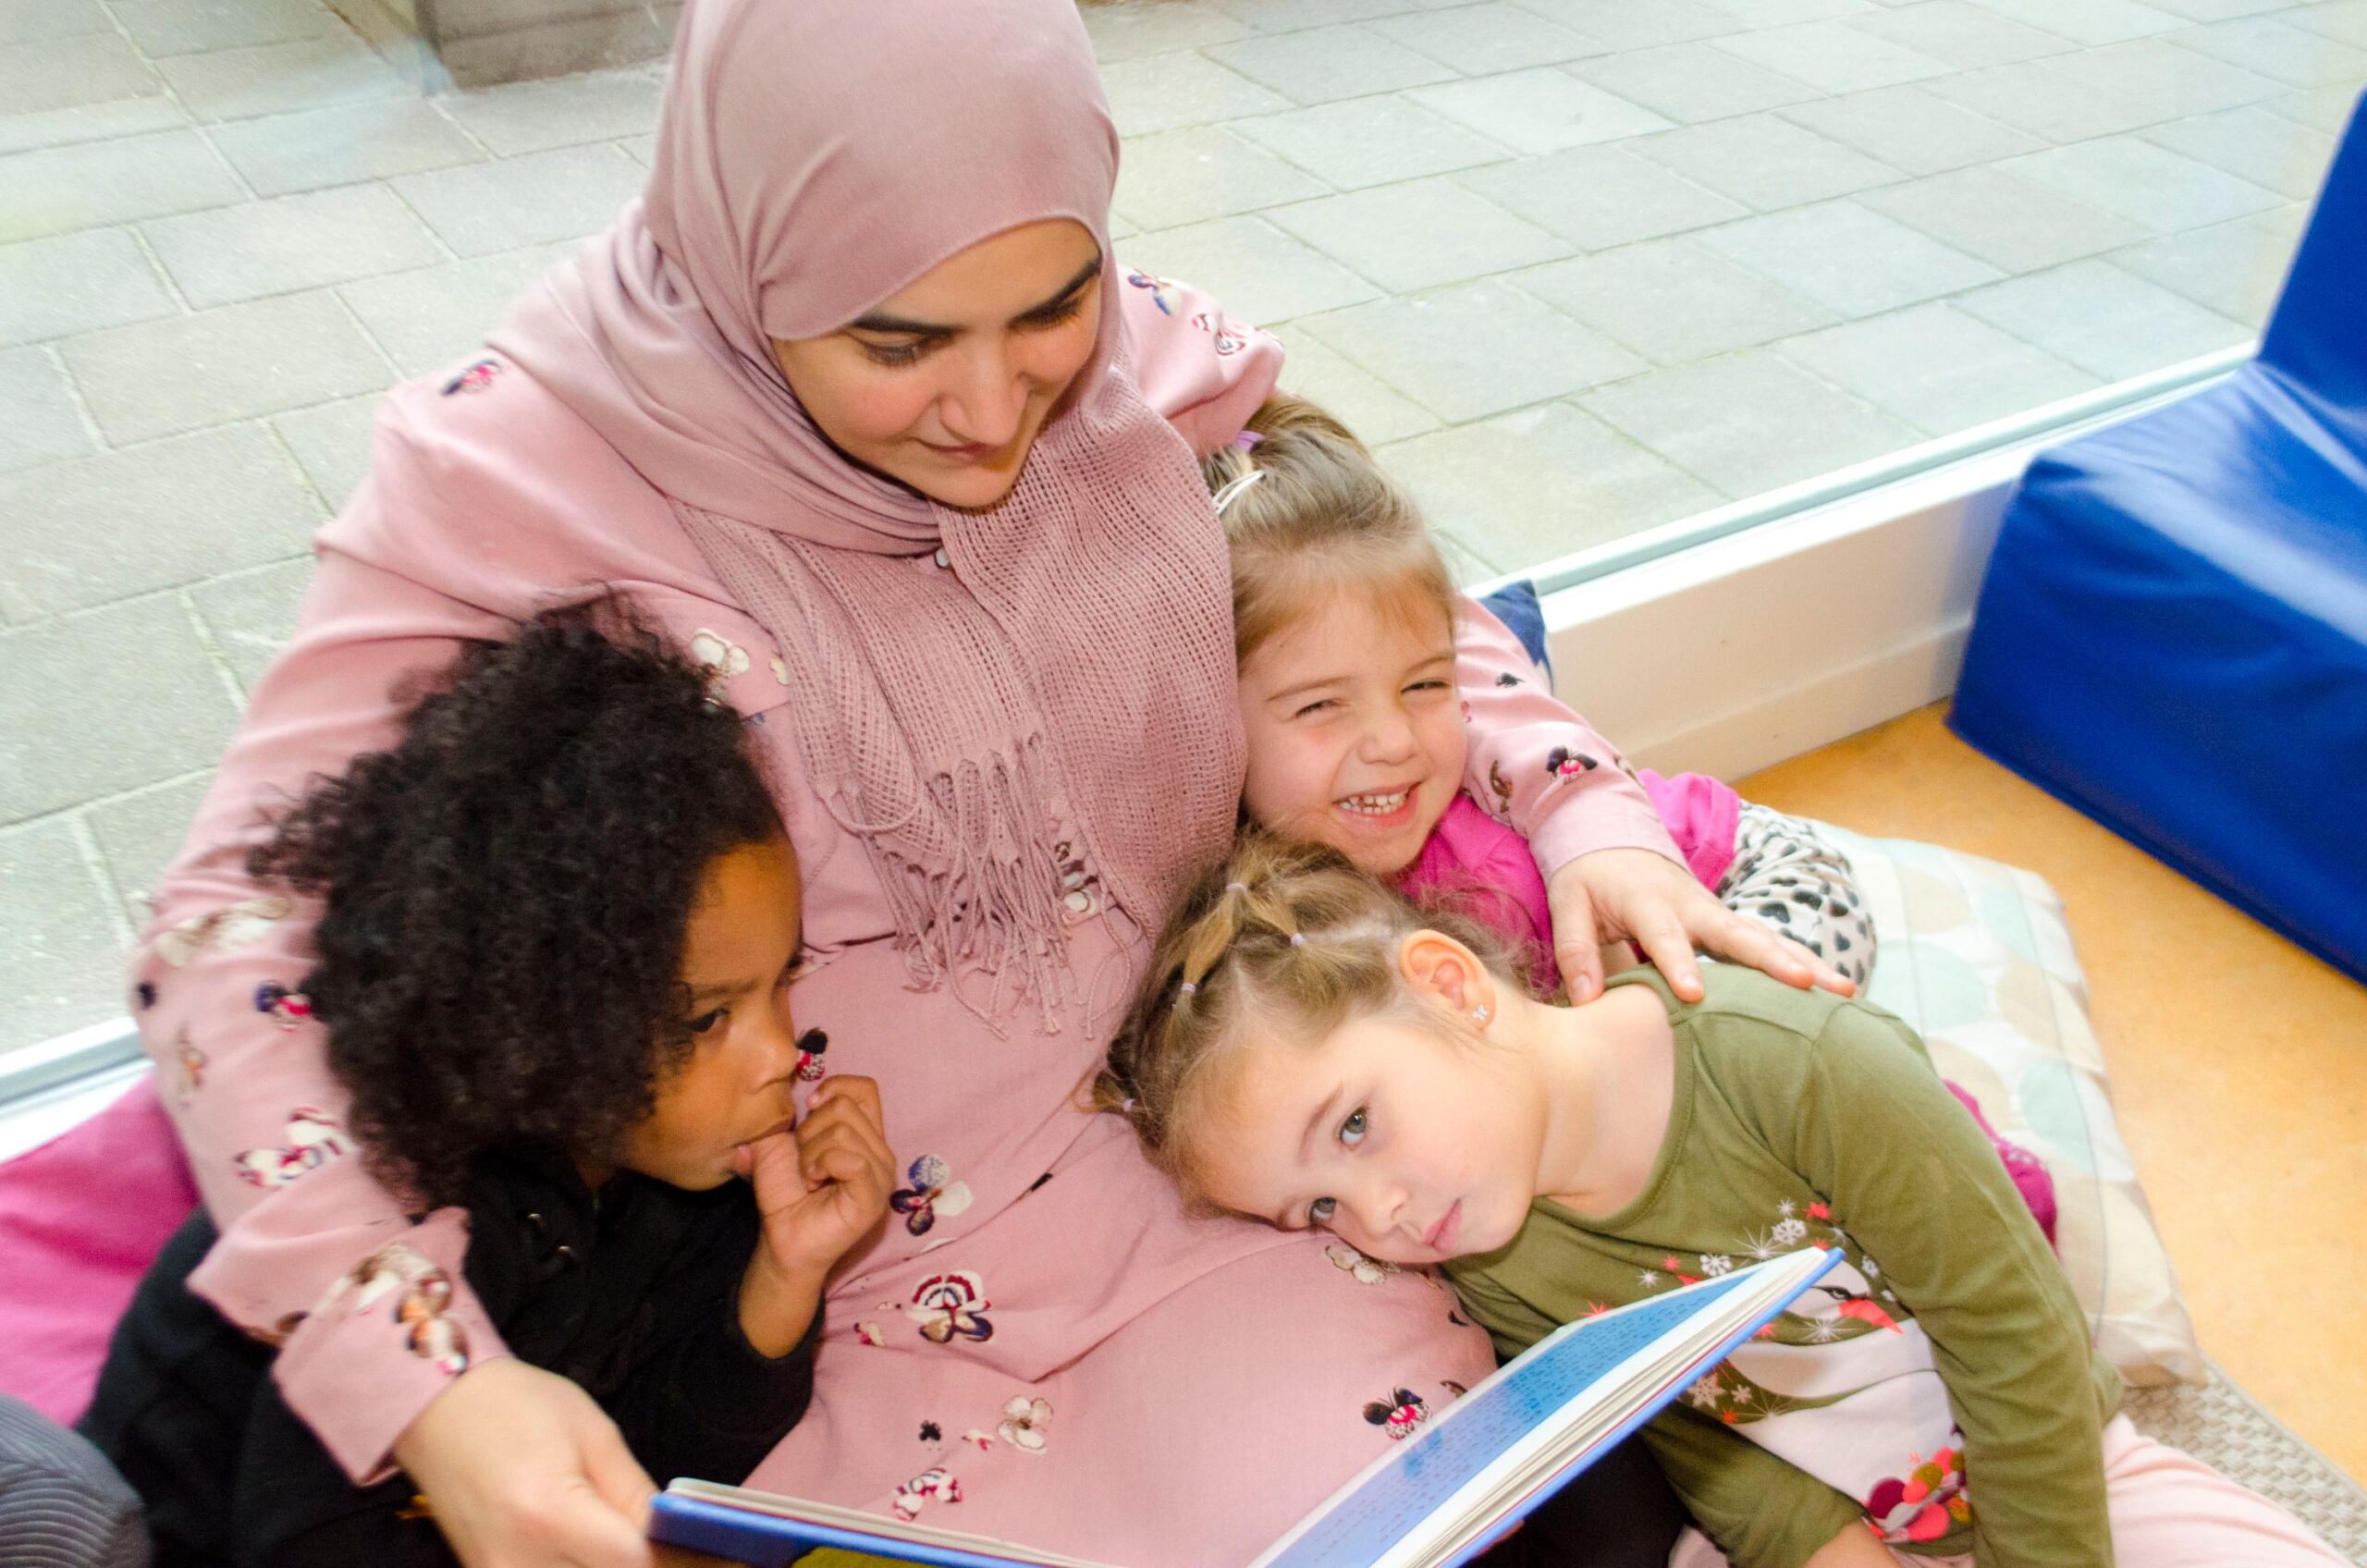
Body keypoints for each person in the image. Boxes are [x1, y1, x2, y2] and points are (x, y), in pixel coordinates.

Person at [127, 0, 1861, 1561]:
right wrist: (426, 1377)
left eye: (1050, 309)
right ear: (747, 261)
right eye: (896, 344)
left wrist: (1576, 796)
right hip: (832, 1284)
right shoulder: (522, 474)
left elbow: (1365, 576)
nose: (989, 407)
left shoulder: (1140, 359)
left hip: (1222, 1161)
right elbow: (226, 937)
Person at [1097, 834, 2347, 1568]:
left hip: (2065, 1469)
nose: (1375, 1214)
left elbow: (2013, 1336)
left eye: (1355, 1126)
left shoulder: (1789, 1066)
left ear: (1453, 987)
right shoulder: (1482, 1252)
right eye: (1316, 1210)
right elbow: (1701, 1443)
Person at [81, 608, 894, 1567]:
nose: (778, 1055)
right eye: (706, 1019)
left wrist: (784, 1275)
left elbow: (663, 1466)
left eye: (782, 982)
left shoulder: (692, 1175)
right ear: (550, 1019)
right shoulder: (415, 1209)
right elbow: (302, 1541)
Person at [1202, 394, 2055, 1242]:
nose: (1392, 741)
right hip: (1618, 975)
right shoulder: (1266, 898)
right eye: (1320, 707)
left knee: (1725, 1070)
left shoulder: (1480, 876)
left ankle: (1966, 1154)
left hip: (1745, 878)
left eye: (1426, 686)